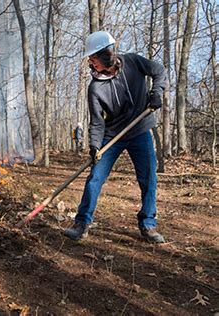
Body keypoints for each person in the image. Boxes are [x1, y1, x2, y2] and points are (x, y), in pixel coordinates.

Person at [64, 31, 166, 243]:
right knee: (95, 178)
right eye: (90, 60)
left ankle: (148, 224)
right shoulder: (95, 88)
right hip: (112, 136)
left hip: (139, 130)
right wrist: (94, 146)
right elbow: (97, 121)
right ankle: (82, 223)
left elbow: (159, 71)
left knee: (149, 178)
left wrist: (156, 93)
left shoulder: (134, 62)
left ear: (107, 55)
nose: (91, 64)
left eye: (93, 59)